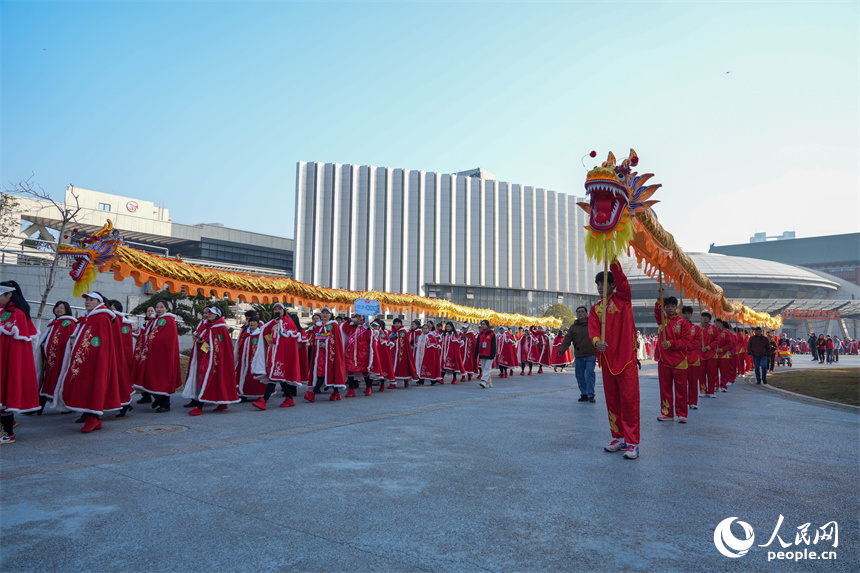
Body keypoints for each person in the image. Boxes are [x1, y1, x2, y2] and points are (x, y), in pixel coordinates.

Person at [589, 259, 640, 460]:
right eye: (598, 284)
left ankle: (633, 442)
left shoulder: (623, 299)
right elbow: (593, 329)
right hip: (607, 361)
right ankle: (618, 437)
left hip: (626, 359)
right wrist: (596, 342)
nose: (600, 287)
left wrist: (613, 262)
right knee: (612, 401)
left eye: (604, 283)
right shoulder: (596, 309)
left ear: (613, 285)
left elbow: (623, 282)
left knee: (629, 400)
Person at [53, 292, 125, 433]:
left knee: (95, 386)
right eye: (86, 299)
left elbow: (99, 341)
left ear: (99, 302)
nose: (87, 302)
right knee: (85, 386)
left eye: (91, 300)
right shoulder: (89, 317)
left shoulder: (101, 318)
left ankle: (94, 418)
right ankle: (90, 416)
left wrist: (90, 353)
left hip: (94, 359)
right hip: (85, 359)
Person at [0, 280, 41, 443]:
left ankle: (8, 433)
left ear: (9, 295)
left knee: (6, 392)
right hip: (4, 360)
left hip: (8, 362)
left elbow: (14, 347)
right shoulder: (6, 311)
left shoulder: (15, 313)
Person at [183, 307, 240, 415]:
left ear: (217, 315)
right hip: (206, 360)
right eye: (208, 313)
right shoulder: (207, 327)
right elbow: (208, 344)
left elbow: (221, 348)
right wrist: (200, 343)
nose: (208, 314)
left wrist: (208, 348)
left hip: (214, 362)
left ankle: (199, 407)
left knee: (208, 382)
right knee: (214, 382)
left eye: (211, 313)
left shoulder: (221, 329)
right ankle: (222, 403)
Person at [132, 300, 182, 412]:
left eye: (161, 307)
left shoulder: (168, 320)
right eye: (157, 307)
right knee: (150, 376)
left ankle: (165, 403)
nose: (159, 309)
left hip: (162, 355)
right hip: (152, 353)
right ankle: (158, 400)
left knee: (160, 377)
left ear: (167, 309)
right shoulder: (155, 320)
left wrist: (149, 340)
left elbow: (165, 338)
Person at [251, 307, 303, 409]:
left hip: (281, 354)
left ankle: (263, 401)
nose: (277, 311)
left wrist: (279, 343)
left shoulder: (289, 322)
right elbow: (265, 333)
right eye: (275, 309)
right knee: (279, 377)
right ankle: (289, 398)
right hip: (272, 353)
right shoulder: (272, 322)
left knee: (274, 377)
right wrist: (271, 338)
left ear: (284, 311)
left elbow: (291, 341)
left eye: (279, 309)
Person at [33, 301, 77, 414]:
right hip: (49, 359)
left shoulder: (68, 323)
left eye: (61, 308)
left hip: (60, 359)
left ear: (67, 310)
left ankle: (64, 405)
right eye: (57, 307)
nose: (58, 309)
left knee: (59, 380)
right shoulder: (53, 323)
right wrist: (45, 345)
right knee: (45, 379)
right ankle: (38, 406)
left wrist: (47, 344)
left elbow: (66, 341)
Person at [654, 296, 691, 423]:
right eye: (667, 306)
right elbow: (657, 312)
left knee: (681, 388)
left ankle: (682, 414)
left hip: (679, 360)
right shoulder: (662, 321)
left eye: (672, 306)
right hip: (664, 360)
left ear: (676, 308)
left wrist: (670, 344)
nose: (669, 308)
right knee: (665, 388)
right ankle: (667, 413)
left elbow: (685, 341)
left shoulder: (682, 322)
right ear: (664, 308)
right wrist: (659, 300)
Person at [306, 307, 347, 402]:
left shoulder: (334, 326)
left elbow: (336, 341)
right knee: (324, 373)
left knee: (325, 373)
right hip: (320, 354)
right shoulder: (319, 326)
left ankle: (313, 394)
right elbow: (317, 338)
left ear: (331, 315)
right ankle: (336, 393)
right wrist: (319, 343)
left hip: (330, 355)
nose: (324, 315)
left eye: (327, 313)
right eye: (323, 313)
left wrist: (326, 345)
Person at [558, 306, 597, 403]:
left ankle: (590, 394)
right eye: (578, 312)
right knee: (579, 375)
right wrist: (561, 350)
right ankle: (584, 394)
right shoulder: (573, 327)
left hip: (591, 354)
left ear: (586, 313)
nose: (580, 314)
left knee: (589, 373)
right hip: (579, 355)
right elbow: (567, 340)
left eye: (582, 312)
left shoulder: (593, 324)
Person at [108, 300, 136, 417]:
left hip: (120, 357)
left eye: (112, 309)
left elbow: (126, 343)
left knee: (121, 382)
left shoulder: (124, 323)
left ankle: (125, 404)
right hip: (111, 356)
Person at [236, 316, 266, 401]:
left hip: (256, 360)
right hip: (244, 359)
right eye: (250, 321)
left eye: (254, 321)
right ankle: (243, 393)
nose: (252, 323)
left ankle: (259, 393)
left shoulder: (260, 333)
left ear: (257, 323)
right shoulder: (245, 333)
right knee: (244, 375)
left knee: (255, 376)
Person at [343, 315, 373, 397]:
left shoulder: (366, 326)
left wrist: (369, 328)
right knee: (350, 369)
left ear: (363, 317)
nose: (359, 318)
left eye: (360, 316)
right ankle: (351, 390)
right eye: (357, 316)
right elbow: (344, 328)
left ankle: (369, 387)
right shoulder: (351, 326)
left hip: (362, 351)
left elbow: (369, 337)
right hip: (351, 351)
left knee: (364, 370)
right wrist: (349, 320)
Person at [681, 306, 703, 411]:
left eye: (688, 313)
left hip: (693, 360)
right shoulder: (677, 327)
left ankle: (693, 402)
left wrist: (685, 346)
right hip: (680, 359)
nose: (686, 315)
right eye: (684, 313)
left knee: (693, 382)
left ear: (691, 315)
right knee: (681, 383)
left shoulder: (696, 328)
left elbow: (698, 342)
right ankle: (683, 402)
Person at [368, 319, 394, 389]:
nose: (374, 327)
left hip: (380, 355)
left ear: (379, 327)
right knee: (371, 371)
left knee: (382, 369)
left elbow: (385, 343)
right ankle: (369, 387)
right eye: (373, 326)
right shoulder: (370, 332)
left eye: (376, 326)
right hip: (372, 355)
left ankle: (382, 384)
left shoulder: (382, 334)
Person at [700, 312, 719, 399]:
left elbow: (717, 340)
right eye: (703, 317)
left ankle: (711, 391)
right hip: (701, 355)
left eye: (706, 317)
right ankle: (703, 391)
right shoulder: (697, 328)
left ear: (709, 319)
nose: (705, 318)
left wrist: (708, 347)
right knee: (702, 375)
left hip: (711, 355)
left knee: (711, 374)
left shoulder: (713, 328)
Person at [476, 320, 496, 388]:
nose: (483, 326)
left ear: (487, 325)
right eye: (482, 324)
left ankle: (484, 381)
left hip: (489, 354)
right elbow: (478, 344)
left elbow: (493, 345)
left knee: (487, 368)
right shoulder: (480, 334)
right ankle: (489, 383)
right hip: (482, 354)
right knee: (484, 368)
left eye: (484, 324)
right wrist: (476, 353)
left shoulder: (492, 334)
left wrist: (492, 355)